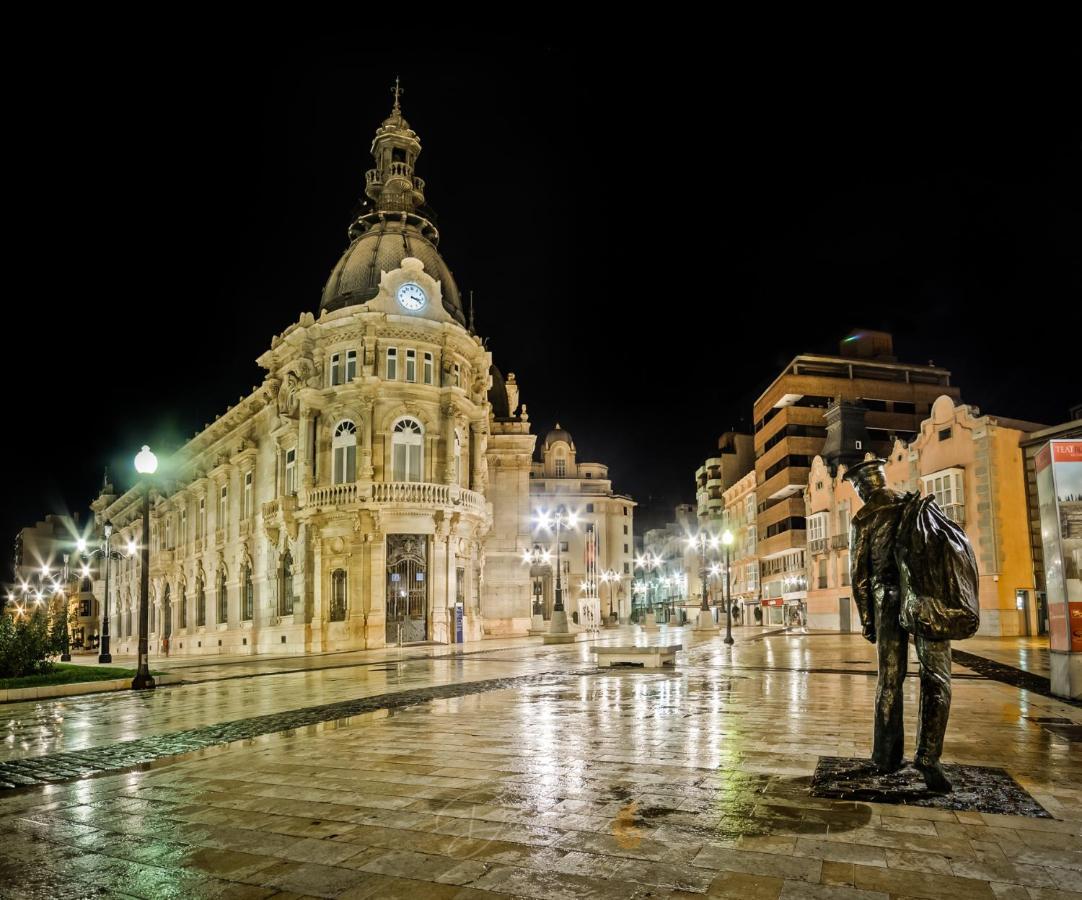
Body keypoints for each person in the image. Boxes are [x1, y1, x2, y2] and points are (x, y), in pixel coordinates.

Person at [845, 458, 953, 792]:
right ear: (883, 479)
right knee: (936, 678)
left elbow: (859, 577)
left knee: (890, 680)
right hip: (925, 597)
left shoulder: (864, 517)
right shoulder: (914, 504)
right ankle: (929, 758)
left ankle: (887, 756)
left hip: (888, 599)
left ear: (863, 487)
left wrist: (867, 620)